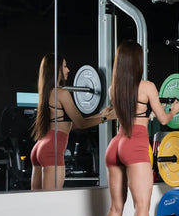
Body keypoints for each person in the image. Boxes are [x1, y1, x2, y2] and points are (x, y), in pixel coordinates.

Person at [105, 40, 179, 216]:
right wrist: (174, 110)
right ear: (137, 62)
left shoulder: (113, 89)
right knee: (142, 206)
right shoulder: (147, 87)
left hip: (116, 144)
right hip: (135, 144)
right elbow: (164, 119)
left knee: (116, 207)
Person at [30, 53, 115, 191]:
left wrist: (101, 115)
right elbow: (81, 124)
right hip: (52, 149)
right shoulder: (62, 93)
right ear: (56, 69)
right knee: (50, 200)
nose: (68, 70)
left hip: (40, 147)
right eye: (64, 66)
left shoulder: (47, 92)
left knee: (38, 200)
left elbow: (71, 124)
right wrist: (106, 118)